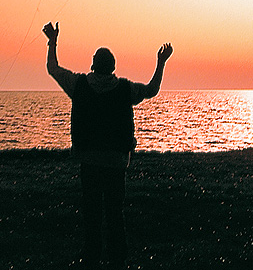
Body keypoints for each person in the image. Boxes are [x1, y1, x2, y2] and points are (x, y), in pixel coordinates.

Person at [43, 22, 173, 268]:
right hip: (115, 162)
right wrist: (161, 62)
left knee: (92, 214)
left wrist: (52, 41)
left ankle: (91, 257)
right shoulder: (125, 89)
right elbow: (152, 90)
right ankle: (117, 259)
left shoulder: (78, 85)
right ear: (113, 67)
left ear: (93, 65)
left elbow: (53, 69)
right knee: (115, 213)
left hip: (89, 160)